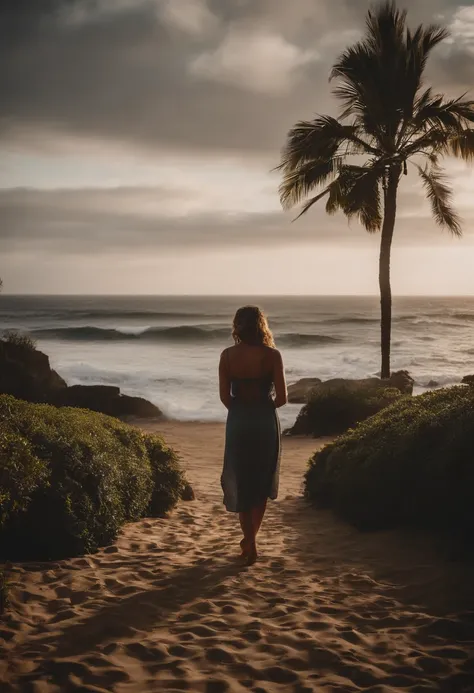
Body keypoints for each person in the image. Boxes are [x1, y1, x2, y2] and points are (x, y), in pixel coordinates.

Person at [219, 305, 287, 566]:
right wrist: (261, 406)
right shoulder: (272, 356)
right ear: (262, 325)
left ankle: (249, 541)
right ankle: (251, 541)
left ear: (237, 326)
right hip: (264, 422)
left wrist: (241, 412)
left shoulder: (226, 356)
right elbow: (282, 398)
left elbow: (225, 397)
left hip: (238, 421)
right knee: (260, 482)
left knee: (243, 480)